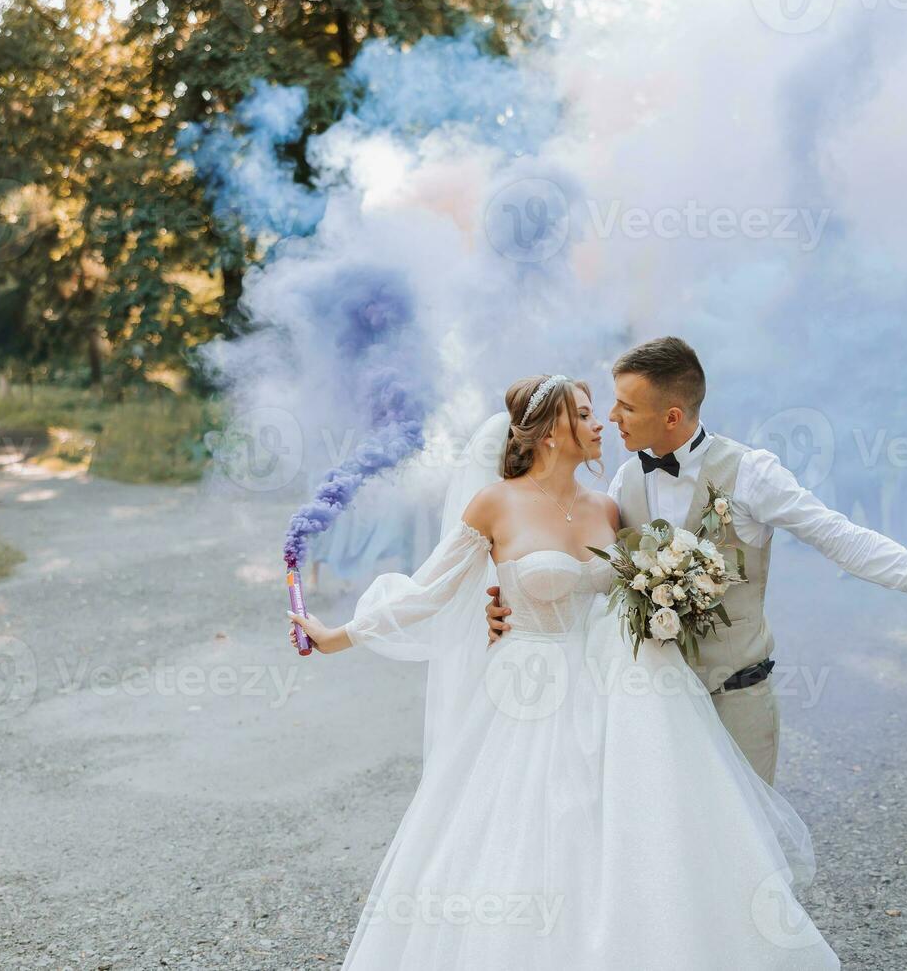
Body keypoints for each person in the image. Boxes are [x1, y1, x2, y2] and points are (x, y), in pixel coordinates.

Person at [289, 373, 843, 969]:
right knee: (533, 837)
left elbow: (642, 582)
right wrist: (337, 637)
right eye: (584, 413)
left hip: (628, 688)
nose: (601, 421)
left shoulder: (607, 504)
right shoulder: (496, 503)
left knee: (644, 828)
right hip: (532, 693)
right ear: (552, 431)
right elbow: (430, 592)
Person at [486, 337, 907, 784]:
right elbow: (581, 572)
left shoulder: (752, 473)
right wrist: (509, 605)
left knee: (749, 863)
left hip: (737, 702)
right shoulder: (627, 480)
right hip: (650, 710)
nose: (611, 416)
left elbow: (844, 539)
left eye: (626, 406)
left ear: (671, 415)